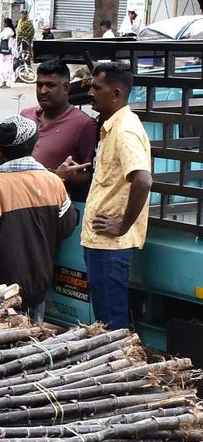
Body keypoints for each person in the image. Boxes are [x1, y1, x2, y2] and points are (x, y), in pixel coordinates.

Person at [0, 116, 77, 323]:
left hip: (1, 288)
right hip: (39, 282)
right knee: (33, 336)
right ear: (34, 144)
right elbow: (68, 226)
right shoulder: (53, 182)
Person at [78, 61, 152, 330]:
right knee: (106, 318)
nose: (91, 93)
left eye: (97, 88)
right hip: (102, 243)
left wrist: (122, 225)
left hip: (110, 246)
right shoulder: (113, 126)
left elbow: (142, 180)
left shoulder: (124, 130)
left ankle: (120, 368)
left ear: (117, 94)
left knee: (111, 324)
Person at [21, 59, 97, 206]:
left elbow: (90, 174)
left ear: (66, 88)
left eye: (50, 85)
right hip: (18, 203)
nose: (43, 91)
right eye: (39, 85)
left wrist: (59, 176)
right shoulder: (26, 115)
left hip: (54, 209)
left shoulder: (84, 124)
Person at [0, 17, 16, 88]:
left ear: (6, 23)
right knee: (8, 67)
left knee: (2, 67)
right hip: (10, 52)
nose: (3, 24)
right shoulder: (13, 31)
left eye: (4, 22)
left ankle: (3, 82)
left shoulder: (6, 31)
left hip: (3, 52)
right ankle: (6, 82)